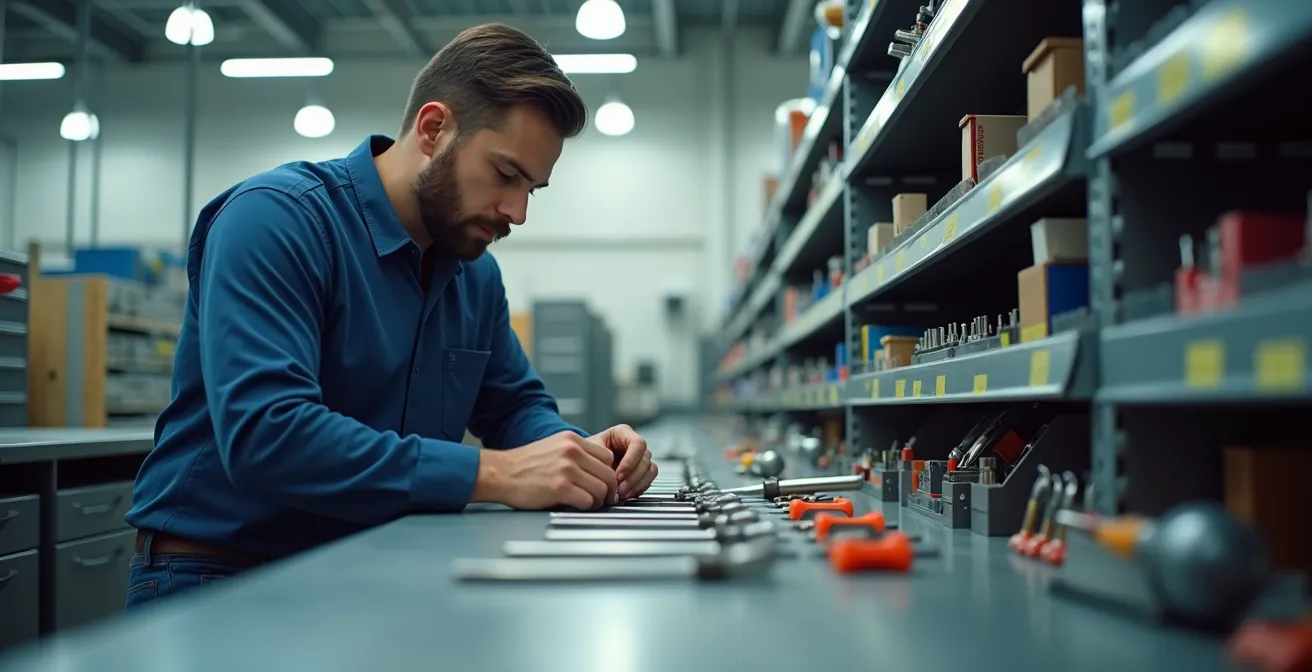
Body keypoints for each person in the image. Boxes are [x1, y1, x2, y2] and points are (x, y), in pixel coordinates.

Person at [123, 23, 658, 608]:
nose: (518, 212)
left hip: (380, 560)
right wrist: (498, 474)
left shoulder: (473, 274)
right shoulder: (277, 221)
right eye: (506, 175)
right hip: (223, 575)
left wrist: (576, 456)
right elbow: (267, 434)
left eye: (534, 188)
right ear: (434, 129)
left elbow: (513, 405)